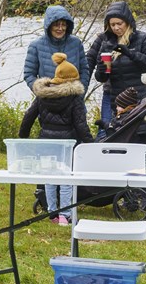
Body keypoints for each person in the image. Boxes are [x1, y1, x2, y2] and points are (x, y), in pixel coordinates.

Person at [18, 52, 95, 225]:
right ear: (72, 80)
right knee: (66, 179)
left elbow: (28, 117)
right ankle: (65, 215)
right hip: (67, 143)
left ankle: (52, 213)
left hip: (45, 142)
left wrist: (22, 137)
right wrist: (91, 145)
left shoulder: (43, 95)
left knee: (49, 176)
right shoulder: (75, 99)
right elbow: (81, 125)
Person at [90, 1, 146, 143]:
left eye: (119, 23)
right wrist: (101, 70)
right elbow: (101, 78)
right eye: (112, 25)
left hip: (142, 101)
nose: (116, 28)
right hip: (118, 104)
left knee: (140, 146)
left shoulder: (144, 39)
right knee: (115, 146)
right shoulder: (107, 43)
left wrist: (131, 54)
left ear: (128, 22)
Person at [23, 5, 89, 90]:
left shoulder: (76, 43)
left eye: (63, 25)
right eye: (56, 25)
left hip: (74, 99)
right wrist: (43, 93)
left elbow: (84, 71)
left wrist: (80, 94)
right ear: (49, 26)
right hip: (47, 99)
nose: (60, 28)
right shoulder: (36, 46)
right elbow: (29, 74)